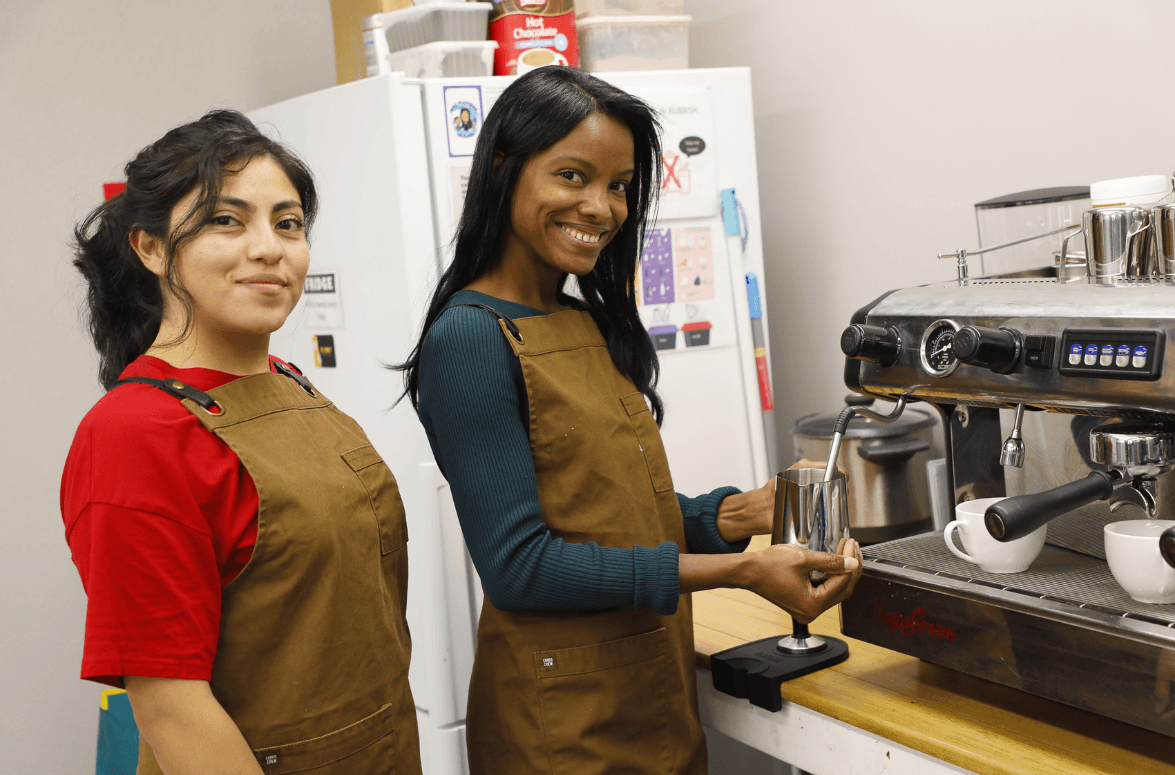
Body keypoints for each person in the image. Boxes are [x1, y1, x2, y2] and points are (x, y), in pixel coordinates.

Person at [400, 67, 863, 774]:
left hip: (652, 691)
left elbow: (613, 512)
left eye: (617, 185)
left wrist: (739, 512)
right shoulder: (468, 339)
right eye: (572, 175)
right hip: (560, 725)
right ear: (501, 168)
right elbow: (521, 567)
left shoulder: (583, 321)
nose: (600, 207)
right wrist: (739, 569)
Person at [62, 110, 421, 775]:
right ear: (150, 247)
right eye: (227, 221)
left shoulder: (295, 387)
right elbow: (170, 702)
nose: (269, 247)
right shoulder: (134, 433)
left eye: (287, 223)